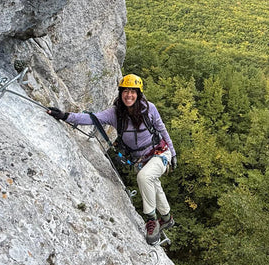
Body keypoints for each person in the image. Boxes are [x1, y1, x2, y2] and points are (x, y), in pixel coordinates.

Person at [47, 74, 177, 245]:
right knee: (153, 183)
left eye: (133, 91)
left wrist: (173, 153)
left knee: (144, 177)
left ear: (138, 94)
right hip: (141, 159)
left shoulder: (149, 109)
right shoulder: (115, 113)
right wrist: (65, 116)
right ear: (120, 93)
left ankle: (151, 219)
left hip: (161, 153)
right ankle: (166, 218)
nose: (129, 95)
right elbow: (92, 119)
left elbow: (162, 129)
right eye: (125, 91)